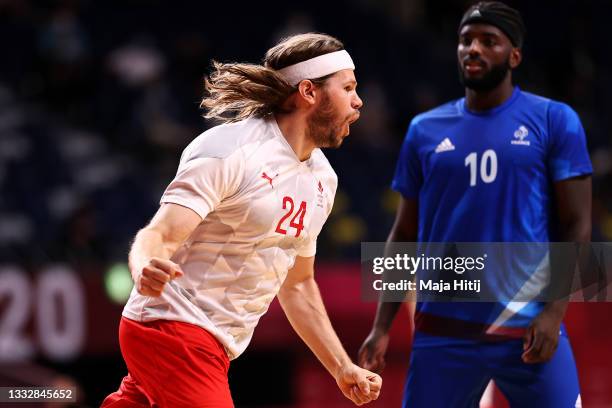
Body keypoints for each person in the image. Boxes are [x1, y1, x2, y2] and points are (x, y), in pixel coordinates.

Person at [102, 32, 382, 407]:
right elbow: (161, 233)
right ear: (309, 92)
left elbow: (297, 285)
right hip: (174, 325)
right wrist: (144, 267)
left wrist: (341, 367)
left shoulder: (323, 179)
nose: (358, 100)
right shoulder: (231, 150)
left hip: (215, 343)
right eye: (348, 87)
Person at [358, 2, 592, 407]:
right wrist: (382, 327)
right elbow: (404, 233)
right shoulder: (423, 130)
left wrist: (554, 314)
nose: (473, 49)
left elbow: (578, 225)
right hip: (442, 332)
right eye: (466, 40)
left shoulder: (555, 119)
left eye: (489, 41)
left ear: (514, 55)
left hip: (527, 326)